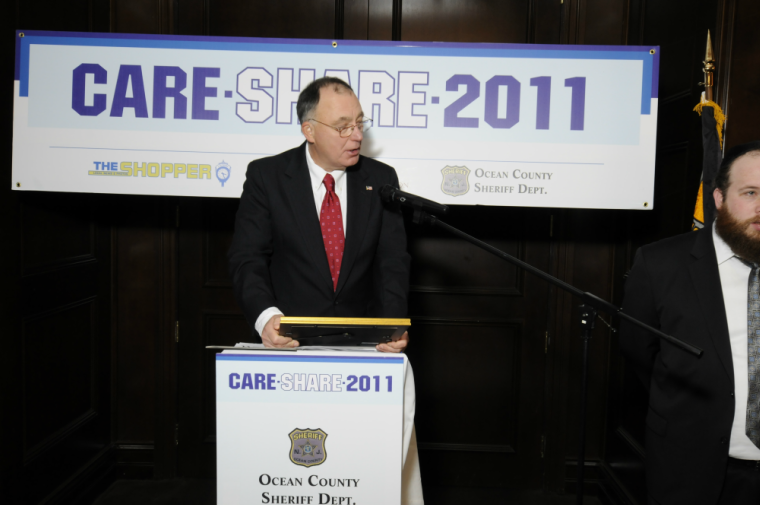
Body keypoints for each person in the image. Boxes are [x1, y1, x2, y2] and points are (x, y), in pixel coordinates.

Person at [227, 76, 422, 504]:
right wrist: (266, 318)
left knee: (357, 475)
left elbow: (392, 262)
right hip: (289, 350)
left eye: (360, 123)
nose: (356, 136)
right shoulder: (267, 176)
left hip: (362, 356)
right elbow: (247, 257)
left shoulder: (381, 179)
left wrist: (393, 325)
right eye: (343, 126)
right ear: (309, 130)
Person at [621, 141, 760, 505]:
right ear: (719, 198)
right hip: (691, 467)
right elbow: (640, 352)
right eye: (750, 193)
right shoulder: (660, 264)